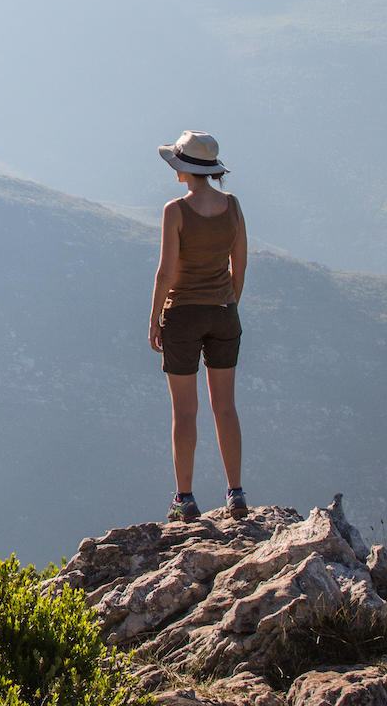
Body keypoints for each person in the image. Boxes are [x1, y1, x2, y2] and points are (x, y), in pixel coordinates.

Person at [149, 130, 248, 521]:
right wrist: (228, 301)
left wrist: (155, 318)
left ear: (182, 170)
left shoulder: (175, 211)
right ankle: (236, 493)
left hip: (183, 315)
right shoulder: (233, 207)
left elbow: (165, 273)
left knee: (185, 412)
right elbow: (238, 267)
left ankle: (185, 499)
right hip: (224, 311)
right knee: (225, 406)